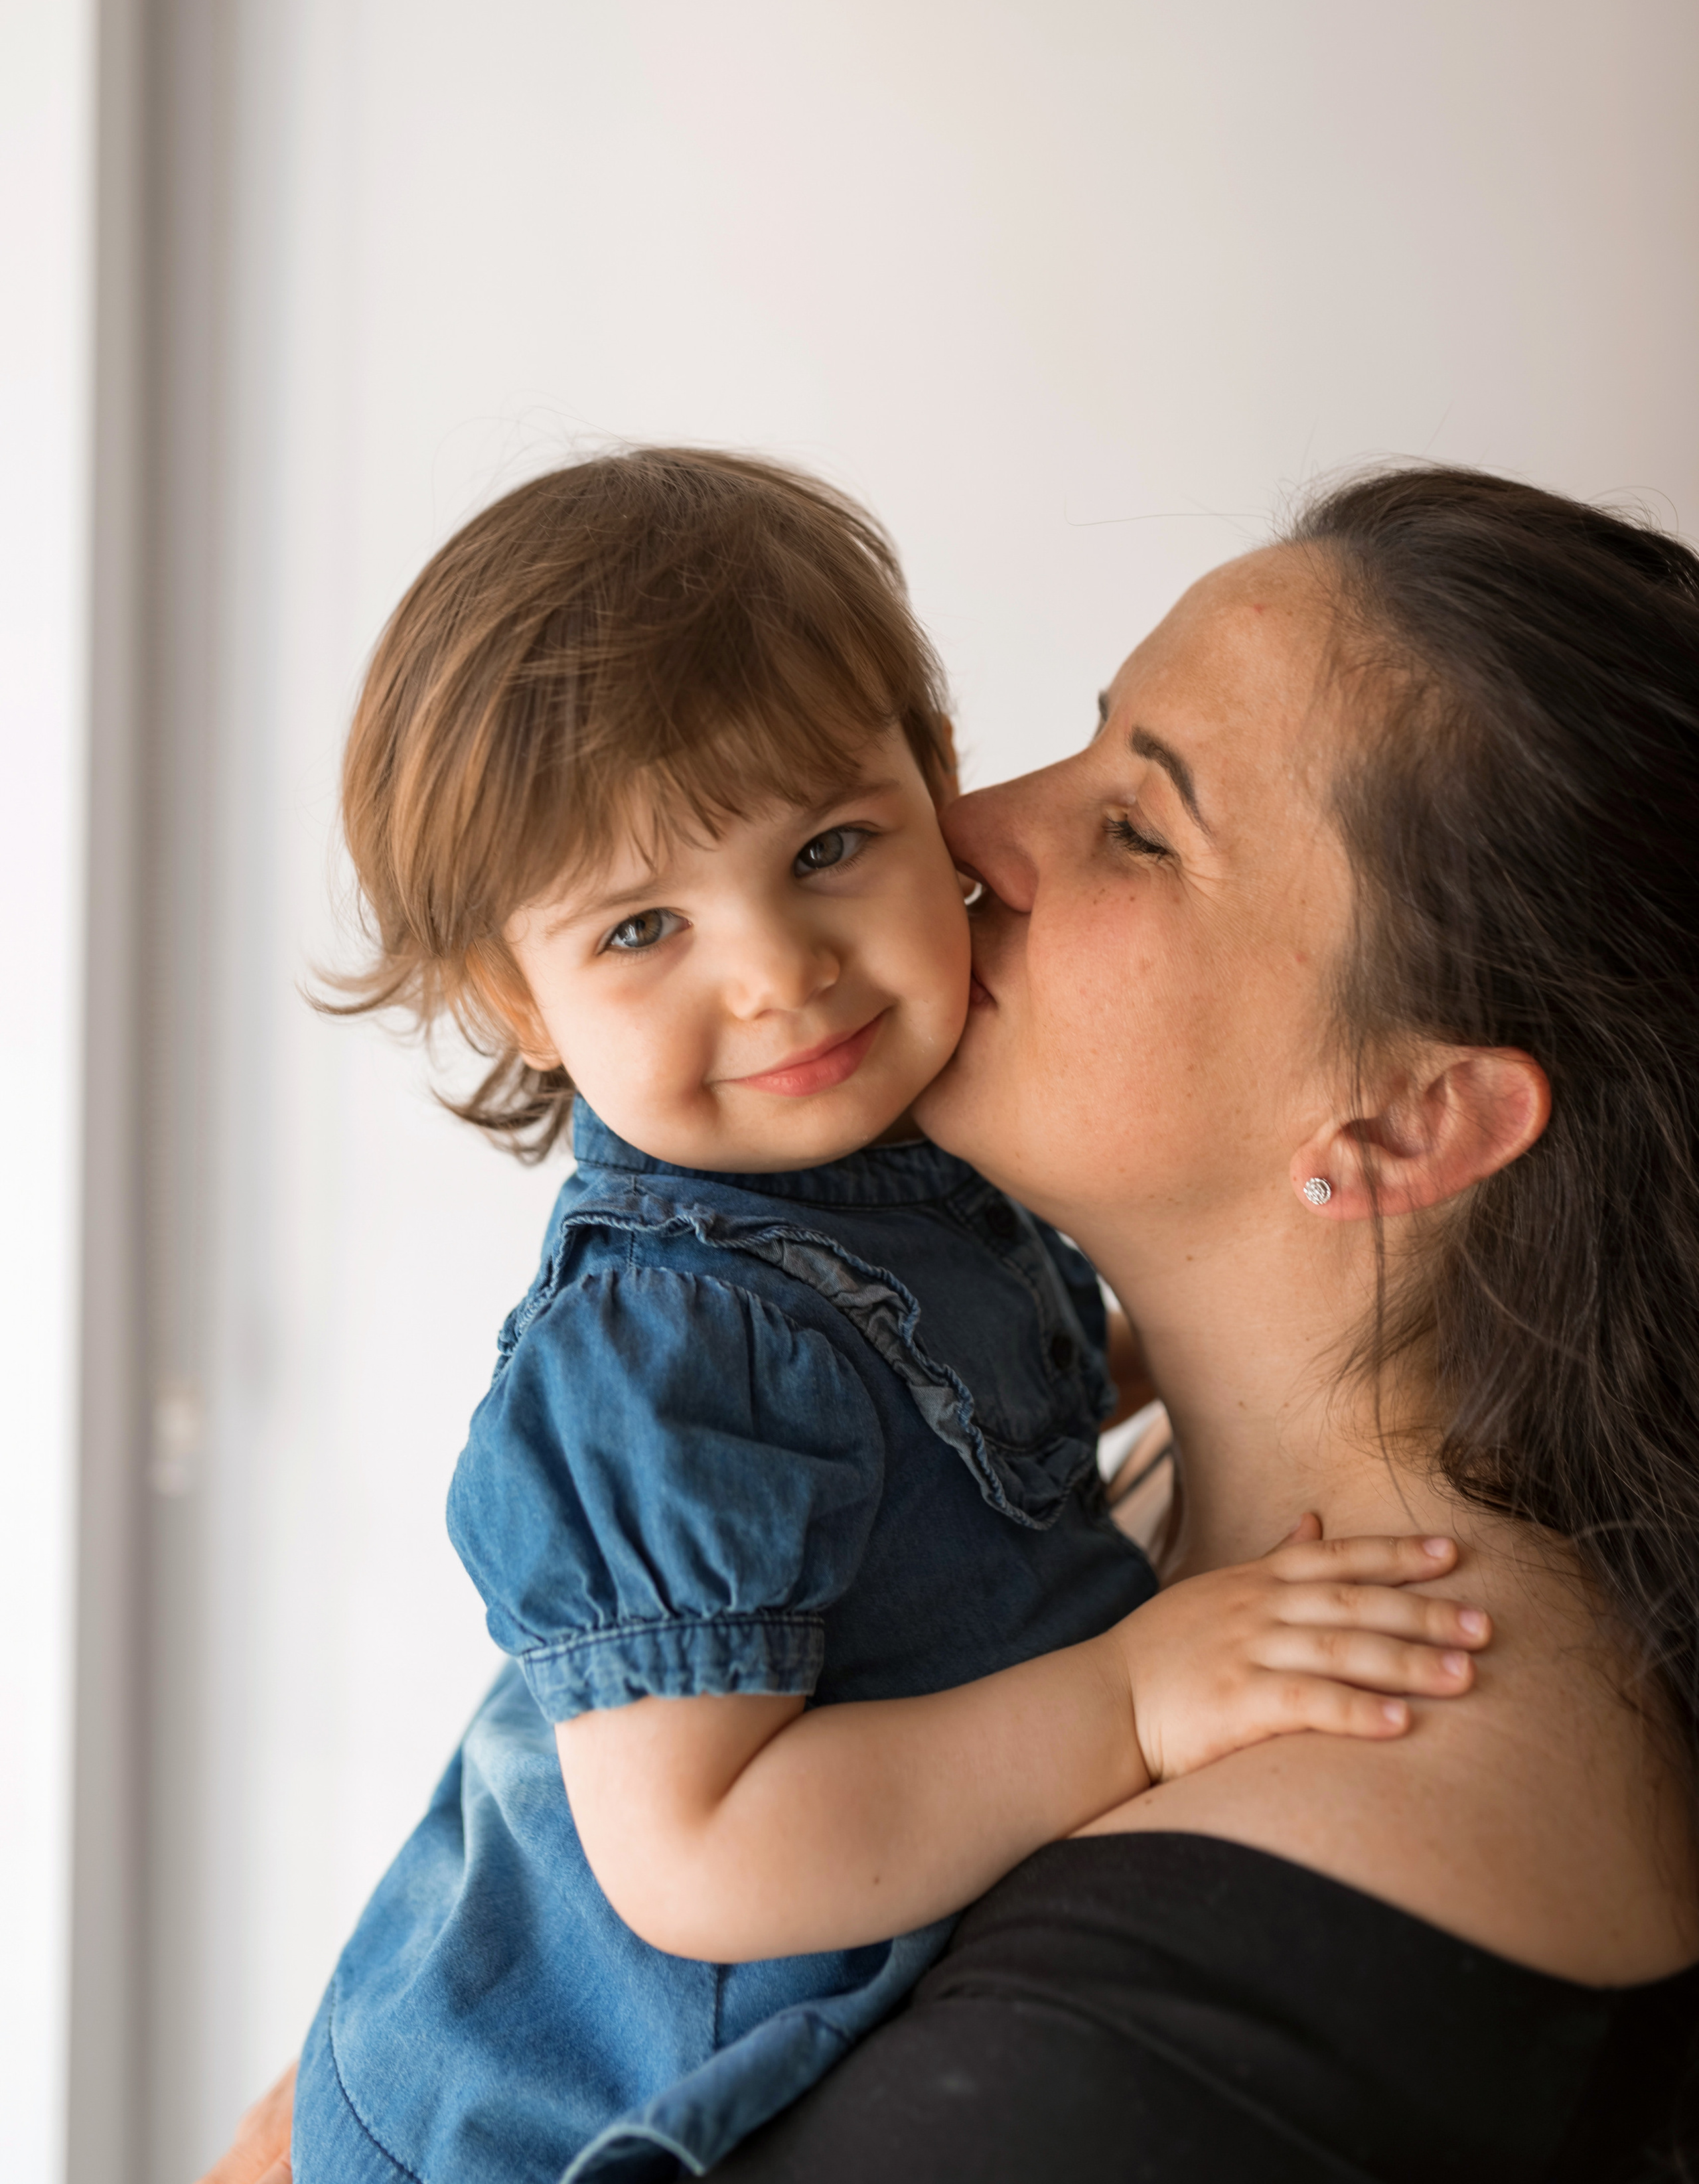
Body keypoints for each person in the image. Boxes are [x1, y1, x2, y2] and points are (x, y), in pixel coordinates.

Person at [208, 461, 1699, 2183]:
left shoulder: (1338, 1814)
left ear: (1403, 1122)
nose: (977, 827)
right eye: (1080, 737)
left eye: (1141, 824)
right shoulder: (756, 1351)